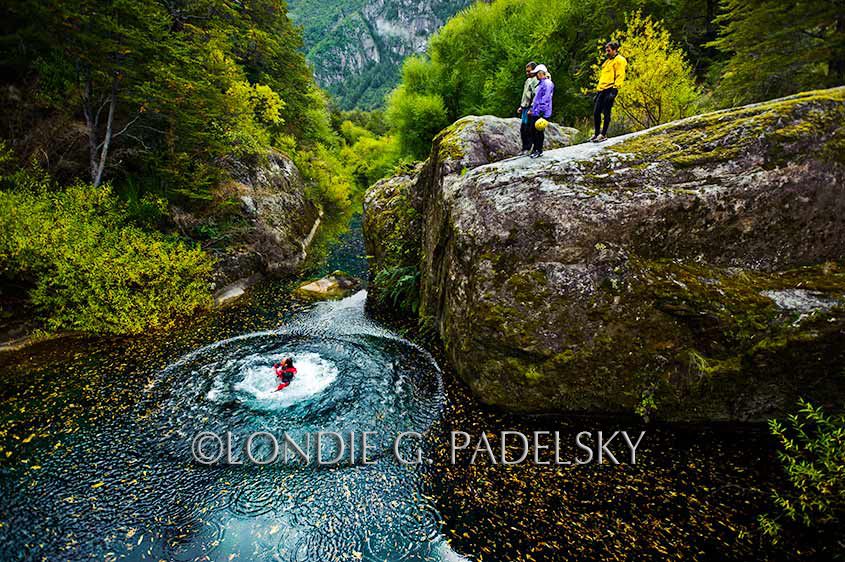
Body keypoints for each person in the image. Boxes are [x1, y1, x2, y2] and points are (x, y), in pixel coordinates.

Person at [592, 41, 627, 142]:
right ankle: (596, 133)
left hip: (610, 89)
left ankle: (603, 134)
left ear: (615, 50)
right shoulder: (607, 62)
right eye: (606, 50)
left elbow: (620, 75)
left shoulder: (619, 60)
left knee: (607, 112)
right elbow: (603, 77)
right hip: (602, 89)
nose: (607, 52)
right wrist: (598, 91)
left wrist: (614, 90)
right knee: (596, 112)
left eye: (609, 50)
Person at [528, 64, 554, 158]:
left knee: (538, 132)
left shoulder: (547, 83)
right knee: (532, 130)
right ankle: (535, 149)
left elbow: (546, 98)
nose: (535, 76)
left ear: (540, 73)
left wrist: (541, 111)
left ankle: (539, 150)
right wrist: (532, 109)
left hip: (542, 112)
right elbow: (537, 98)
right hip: (536, 111)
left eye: (536, 74)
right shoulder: (541, 83)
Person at [517, 61, 539, 155]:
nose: (527, 73)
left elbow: (535, 95)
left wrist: (532, 108)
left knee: (529, 129)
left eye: (529, 71)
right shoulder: (528, 81)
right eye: (526, 71)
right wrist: (521, 106)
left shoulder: (535, 80)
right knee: (523, 128)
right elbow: (525, 95)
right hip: (525, 108)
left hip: (531, 108)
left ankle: (529, 147)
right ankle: (524, 148)